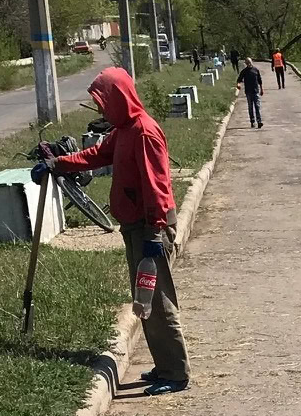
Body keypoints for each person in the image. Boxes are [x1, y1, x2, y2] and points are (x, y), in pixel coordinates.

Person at [35, 68, 189, 396]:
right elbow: (97, 154)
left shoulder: (144, 132)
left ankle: (176, 374)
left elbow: (157, 185)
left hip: (149, 231)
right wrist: (58, 162)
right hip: (136, 228)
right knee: (144, 301)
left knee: (157, 302)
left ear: (119, 98)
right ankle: (164, 365)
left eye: (104, 102)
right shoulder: (124, 130)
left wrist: (154, 232)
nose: (102, 109)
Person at [236, 57, 265, 129]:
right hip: (248, 92)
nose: (249, 63)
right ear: (245, 63)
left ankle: (259, 121)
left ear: (251, 62)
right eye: (247, 62)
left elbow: (259, 80)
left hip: (256, 91)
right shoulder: (244, 71)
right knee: (250, 107)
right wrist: (238, 84)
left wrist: (261, 89)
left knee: (257, 106)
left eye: (249, 62)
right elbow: (239, 79)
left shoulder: (256, 70)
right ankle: (252, 121)